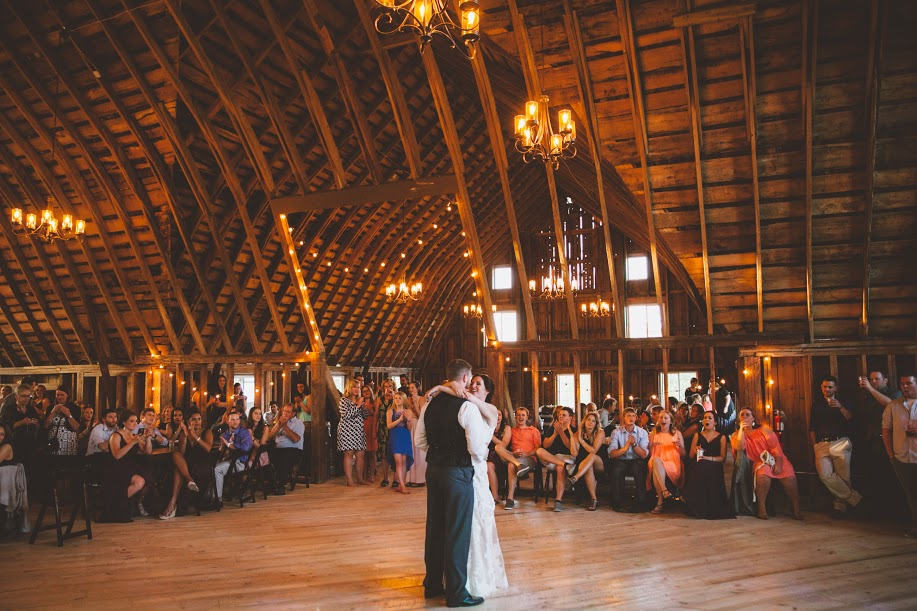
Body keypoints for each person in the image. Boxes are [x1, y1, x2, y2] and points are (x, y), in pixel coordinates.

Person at [425, 372, 507, 599]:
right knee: (458, 527)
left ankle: (475, 578)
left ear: (488, 391)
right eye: (471, 383)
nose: (473, 386)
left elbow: (478, 449)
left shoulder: (491, 410)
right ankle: (457, 582)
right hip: (462, 468)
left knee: (474, 524)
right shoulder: (466, 406)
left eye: (478, 384)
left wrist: (443, 387)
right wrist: (448, 387)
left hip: (475, 470)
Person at [414, 359, 486, 608]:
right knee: (457, 532)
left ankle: (433, 585)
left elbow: (420, 441)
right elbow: (476, 449)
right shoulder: (467, 407)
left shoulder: (430, 404)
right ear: (465, 378)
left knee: (434, 528)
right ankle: (456, 593)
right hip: (457, 472)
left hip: (433, 471)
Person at [731, 408, 802, 520]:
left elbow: (775, 447)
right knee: (762, 475)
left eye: (747, 415)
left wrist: (778, 463)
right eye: (742, 415)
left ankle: (796, 508)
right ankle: (762, 509)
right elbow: (739, 447)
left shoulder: (763, 430)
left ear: (753, 418)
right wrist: (741, 430)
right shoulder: (736, 435)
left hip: (776, 457)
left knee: (789, 477)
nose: (744, 417)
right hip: (759, 461)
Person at [809, 375, 862, 518]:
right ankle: (855, 499)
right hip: (822, 444)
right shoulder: (816, 404)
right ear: (821, 387)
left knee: (843, 477)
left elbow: (851, 418)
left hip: (841, 442)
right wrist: (815, 445)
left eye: (830, 387)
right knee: (825, 475)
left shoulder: (844, 401)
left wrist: (840, 407)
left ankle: (840, 508)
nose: (827, 389)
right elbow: (812, 427)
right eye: (825, 387)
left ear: (835, 388)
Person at [159, 411, 213, 520]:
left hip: (202, 464)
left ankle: (172, 504)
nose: (197, 422)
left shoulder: (207, 431)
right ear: (188, 422)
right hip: (188, 464)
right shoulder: (185, 433)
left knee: (177, 470)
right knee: (176, 455)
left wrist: (195, 436)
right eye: (194, 419)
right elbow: (182, 452)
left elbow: (208, 448)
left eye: (199, 419)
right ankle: (189, 480)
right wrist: (185, 435)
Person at [882, 373, 917, 538]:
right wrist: (891, 455)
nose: (905, 387)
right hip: (902, 457)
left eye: (909, 383)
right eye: (902, 384)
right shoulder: (893, 406)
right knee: (911, 494)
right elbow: (886, 430)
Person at [102, 410, 152, 522]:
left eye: (136, 421)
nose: (135, 424)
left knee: (149, 475)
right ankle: (115, 506)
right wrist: (132, 443)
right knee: (140, 481)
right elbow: (117, 455)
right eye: (132, 421)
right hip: (116, 468)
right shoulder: (116, 435)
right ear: (124, 422)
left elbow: (147, 451)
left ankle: (117, 505)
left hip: (130, 466)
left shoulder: (134, 436)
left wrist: (148, 438)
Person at [682, 411, 733, 519]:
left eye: (710, 418)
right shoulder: (697, 435)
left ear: (715, 422)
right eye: (705, 418)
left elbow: (722, 458)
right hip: (699, 463)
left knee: (708, 466)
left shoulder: (722, 437)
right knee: (700, 465)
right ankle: (697, 505)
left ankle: (712, 506)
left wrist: (709, 458)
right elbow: (690, 455)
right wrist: (695, 450)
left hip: (714, 463)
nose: (706, 420)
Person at [607, 407, 650, 511]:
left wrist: (634, 444)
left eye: (633, 416)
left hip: (637, 459)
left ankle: (641, 502)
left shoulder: (642, 432)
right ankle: (617, 503)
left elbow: (644, 455)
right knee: (617, 469)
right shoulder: (616, 432)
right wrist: (625, 448)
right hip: (621, 459)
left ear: (636, 418)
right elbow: (612, 454)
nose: (631, 418)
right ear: (624, 418)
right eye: (628, 416)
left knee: (638, 468)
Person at [537, 406, 577, 512]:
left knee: (560, 468)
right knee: (539, 451)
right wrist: (555, 434)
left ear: (570, 417)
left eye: (564, 415)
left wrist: (561, 433)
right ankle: (564, 465)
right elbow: (545, 445)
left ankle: (558, 500)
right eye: (559, 415)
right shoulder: (552, 428)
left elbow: (570, 447)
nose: (560, 416)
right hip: (553, 458)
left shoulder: (573, 430)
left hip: (567, 457)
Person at [213, 411, 253, 508]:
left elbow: (245, 448)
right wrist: (222, 446)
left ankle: (218, 499)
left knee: (217, 469)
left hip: (241, 463)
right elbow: (221, 450)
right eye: (232, 420)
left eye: (237, 419)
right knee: (212, 467)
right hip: (229, 461)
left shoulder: (245, 432)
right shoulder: (226, 434)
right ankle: (210, 497)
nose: (235, 422)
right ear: (227, 421)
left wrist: (229, 444)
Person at [648, 412, 685, 514]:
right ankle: (664, 490)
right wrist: (653, 445)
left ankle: (660, 502)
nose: (663, 420)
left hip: (672, 461)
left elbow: (683, 455)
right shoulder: (653, 433)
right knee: (656, 460)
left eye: (665, 418)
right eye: (661, 418)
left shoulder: (677, 433)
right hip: (657, 458)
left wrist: (679, 446)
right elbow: (650, 453)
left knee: (657, 469)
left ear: (671, 421)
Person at [568, 411, 606, 511]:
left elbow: (594, 451)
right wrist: (572, 437)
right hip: (585, 464)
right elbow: (574, 454)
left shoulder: (600, 432)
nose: (590, 422)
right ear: (584, 421)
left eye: (593, 421)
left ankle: (575, 477)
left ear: (596, 423)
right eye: (588, 420)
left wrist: (581, 441)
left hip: (600, 461)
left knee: (591, 456)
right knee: (588, 467)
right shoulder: (579, 433)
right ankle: (594, 499)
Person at [502, 407, 538, 510]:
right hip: (515, 456)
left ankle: (510, 498)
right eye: (518, 415)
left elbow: (538, 448)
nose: (520, 417)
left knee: (511, 465)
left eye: (523, 415)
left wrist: (526, 453)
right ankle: (519, 465)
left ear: (527, 417)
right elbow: (504, 445)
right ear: (515, 417)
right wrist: (514, 453)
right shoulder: (512, 430)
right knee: (498, 447)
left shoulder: (533, 430)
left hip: (529, 457)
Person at [337, 378, 369, 487]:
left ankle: (360, 478)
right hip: (347, 430)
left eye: (358, 387)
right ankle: (349, 480)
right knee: (349, 454)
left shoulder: (359, 400)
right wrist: (358, 406)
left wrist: (363, 408)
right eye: (354, 387)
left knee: (360, 454)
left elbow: (365, 416)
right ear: (349, 388)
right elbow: (346, 415)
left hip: (359, 430)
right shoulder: (344, 400)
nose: (356, 389)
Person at [1, 384, 41, 472]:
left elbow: (39, 426)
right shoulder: (9, 409)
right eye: (23, 396)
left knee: (30, 471)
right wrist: (21, 422)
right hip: (15, 444)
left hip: (30, 445)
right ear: (16, 396)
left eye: (28, 396)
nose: (26, 398)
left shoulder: (31, 409)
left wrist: (35, 423)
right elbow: (6, 427)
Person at [267, 403, 304, 493]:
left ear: (293, 413)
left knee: (284, 455)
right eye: (284, 411)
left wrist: (284, 426)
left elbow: (296, 439)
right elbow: (269, 437)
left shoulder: (298, 423)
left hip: (294, 450)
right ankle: (270, 483)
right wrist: (278, 425)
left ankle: (280, 486)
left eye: (288, 412)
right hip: (279, 449)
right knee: (265, 454)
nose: (285, 413)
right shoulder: (280, 422)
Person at [387, 391, 414, 494]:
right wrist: (399, 419)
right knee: (398, 461)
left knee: (403, 461)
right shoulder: (390, 411)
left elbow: (410, 428)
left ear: (404, 399)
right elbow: (389, 426)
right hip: (395, 436)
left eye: (399, 398)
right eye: (396, 398)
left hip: (405, 436)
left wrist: (408, 420)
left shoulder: (408, 411)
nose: (397, 400)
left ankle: (400, 484)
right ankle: (402, 486)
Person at [43, 387, 81, 456]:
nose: (59, 397)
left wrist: (69, 415)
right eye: (57, 395)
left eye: (62, 395)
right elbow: (46, 425)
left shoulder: (75, 408)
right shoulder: (50, 407)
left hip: (69, 440)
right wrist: (53, 412)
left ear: (67, 395)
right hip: (54, 439)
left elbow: (75, 427)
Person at [407, 381, 427, 487]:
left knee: (419, 451)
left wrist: (415, 403)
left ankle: (420, 479)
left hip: (418, 425)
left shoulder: (421, 399)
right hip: (410, 426)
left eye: (412, 387)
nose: (411, 389)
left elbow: (421, 416)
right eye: (409, 387)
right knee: (411, 451)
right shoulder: (407, 399)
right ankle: (411, 478)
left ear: (417, 388)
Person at [377, 379, 395, 487]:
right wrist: (375, 430)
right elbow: (376, 415)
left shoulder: (397, 398)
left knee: (395, 454)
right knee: (384, 455)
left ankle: (396, 479)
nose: (388, 388)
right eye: (385, 386)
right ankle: (385, 478)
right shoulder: (380, 399)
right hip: (382, 429)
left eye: (390, 386)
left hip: (394, 429)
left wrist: (394, 396)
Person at [361, 385, 379, 483]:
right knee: (364, 453)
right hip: (362, 427)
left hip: (372, 426)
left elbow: (376, 415)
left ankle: (371, 475)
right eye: (364, 391)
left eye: (368, 390)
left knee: (372, 452)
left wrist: (375, 430)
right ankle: (364, 475)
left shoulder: (375, 402)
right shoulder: (360, 402)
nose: (366, 393)